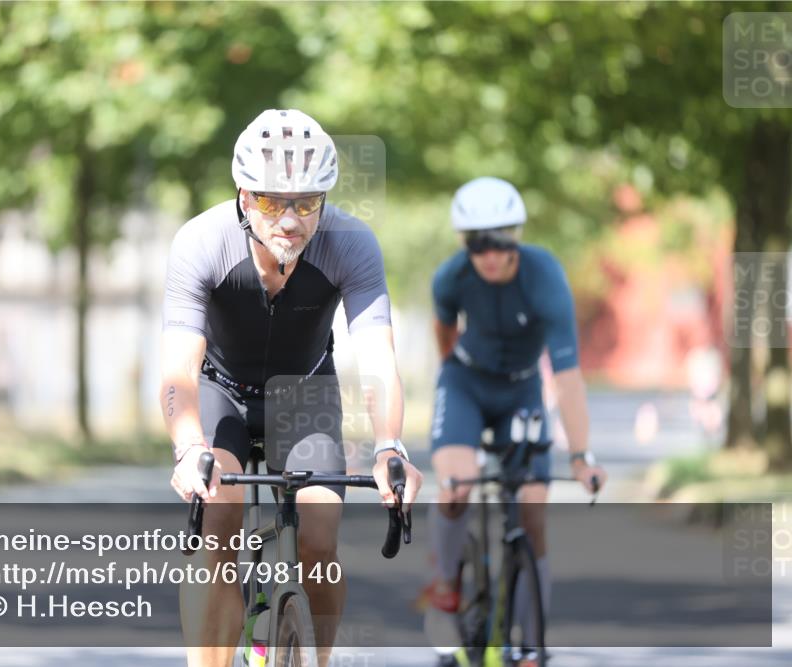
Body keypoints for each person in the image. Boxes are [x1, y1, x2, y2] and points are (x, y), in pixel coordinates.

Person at [160, 108, 423, 667]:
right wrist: (189, 448)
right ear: (242, 195)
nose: (289, 220)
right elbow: (180, 368)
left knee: (320, 537)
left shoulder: (351, 244)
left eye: (306, 203)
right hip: (221, 392)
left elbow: (377, 354)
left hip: (304, 395)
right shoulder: (201, 242)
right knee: (218, 521)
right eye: (270, 201)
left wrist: (389, 445)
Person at [424, 177, 607, 667]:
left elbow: (567, 378)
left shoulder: (546, 277)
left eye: (500, 239)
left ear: (517, 236)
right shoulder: (451, 278)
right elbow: (443, 330)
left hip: (523, 388)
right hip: (466, 383)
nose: (488, 253)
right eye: (477, 242)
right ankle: (444, 581)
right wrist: (450, 377)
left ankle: (530, 640)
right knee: (456, 486)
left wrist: (581, 455)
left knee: (532, 511)